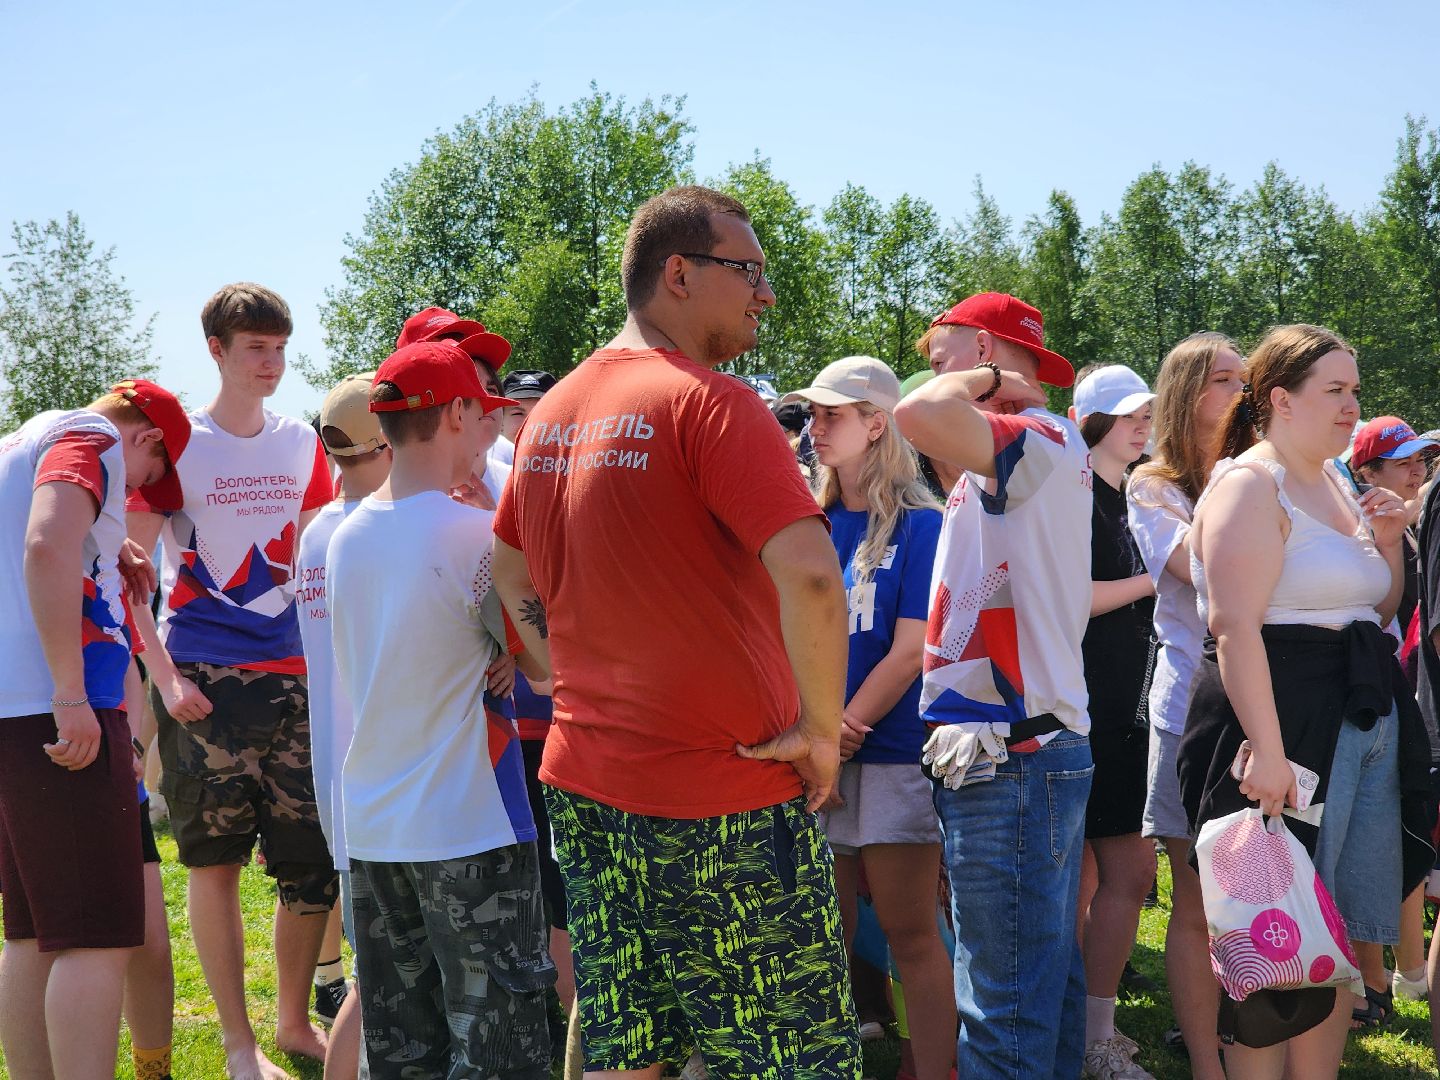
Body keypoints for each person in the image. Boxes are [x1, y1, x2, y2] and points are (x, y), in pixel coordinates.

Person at [491, 184, 861, 1079]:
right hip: (722, 795)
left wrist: (564, 674)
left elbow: (507, 571)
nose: (765, 295)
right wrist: (819, 731)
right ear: (681, 274)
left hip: (588, 787)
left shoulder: (551, 413)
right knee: (793, 1060)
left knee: (627, 1045)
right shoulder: (711, 403)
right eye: (751, 273)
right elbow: (813, 576)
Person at [1177, 324, 1436, 1078]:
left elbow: (1375, 613)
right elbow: (1233, 626)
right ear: (1281, 400)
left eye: (1355, 389)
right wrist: (1268, 748)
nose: (1353, 404)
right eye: (1337, 390)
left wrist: (1388, 544)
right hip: (1278, 718)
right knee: (1270, 943)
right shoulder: (1249, 483)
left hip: (1357, 719)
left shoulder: (1336, 483)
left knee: (1334, 945)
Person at [127, 283, 339, 1080]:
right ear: (215, 350)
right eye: (256, 348)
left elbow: (318, 552)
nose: (272, 363)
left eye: (280, 348)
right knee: (214, 864)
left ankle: (292, 1024)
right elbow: (130, 575)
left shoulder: (301, 440)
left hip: (298, 679)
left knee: (307, 865)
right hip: (205, 682)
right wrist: (164, 678)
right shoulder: (181, 445)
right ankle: (237, 1043)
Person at [326, 341, 554, 1077]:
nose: (494, 433)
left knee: (400, 1046)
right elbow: (550, 665)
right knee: (500, 1049)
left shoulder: (345, 532)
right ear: (455, 413)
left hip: (377, 826)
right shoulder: (472, 536)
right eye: (485, 415)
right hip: (470, 822)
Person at [895, 292, 1093, 1079]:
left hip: (1015, 755)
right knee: (1039, 989)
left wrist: (980, 377)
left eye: (939, 351)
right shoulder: (1031, 445)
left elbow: (918, 415)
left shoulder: (1039, 434)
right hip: (1016, 750)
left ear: (981, 347)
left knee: (1003, 1011)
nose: (929, 366)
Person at [0, 377, 188, 1079]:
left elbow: (42, 537)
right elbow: (47, 543)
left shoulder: (26, 434)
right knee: (98, 940)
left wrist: (107, 549)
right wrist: (71, 695)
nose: (135, 497)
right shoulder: (95, 437)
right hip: (58, 715)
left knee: (34, 934)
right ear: (146, 439)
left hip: (14, 710)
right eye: (147, 480)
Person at [784, 356, 953, 1080]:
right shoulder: (808, 519)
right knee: (827, 934)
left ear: (877, 423)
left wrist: (842, 729)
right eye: (811, 414)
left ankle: (931, 1066)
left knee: (912, 931)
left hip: (888, 753)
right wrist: (818, 735)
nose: (814, 427)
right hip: (816, 751)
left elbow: (913, 647)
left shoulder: (922, 523)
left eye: (832, 415)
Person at [1125, 332, 1243, 1080]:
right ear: (1187, 392)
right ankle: (1206, 1059)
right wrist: (1237, 483)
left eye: (1246, 379)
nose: (1243, 392)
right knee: (1196, 898)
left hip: (1274, 699)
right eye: (1225, 379)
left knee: (1260, 887)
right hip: (1190, 710)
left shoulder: (1268, 473)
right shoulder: (1152, 484)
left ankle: (1253, 1039)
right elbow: (1195, 569)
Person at [294, 372, 394, 1080]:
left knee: (372, 971)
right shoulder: (372, 532)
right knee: (380, 980)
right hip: (388, 789)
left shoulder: (317, 530)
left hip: (341, 786)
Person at [1070, 364, 1159, 1080]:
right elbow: (1075, 598)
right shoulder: (1074, 494)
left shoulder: (1134, 494)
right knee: (1087, 878)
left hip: (1128, 714)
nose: (1142, 423)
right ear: (1088, 419)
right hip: (1082, 713)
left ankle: (1095, 1027)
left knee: (1126, 873)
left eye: (1146, 414)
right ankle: (1082, 1033)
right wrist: (1158, 574)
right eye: (1128, 414)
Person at [1346, 415, 1438, 1018]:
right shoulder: (1358, 531)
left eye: (1420, 459)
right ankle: (1376, 979)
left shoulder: (1410, 526)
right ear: (1366, 473)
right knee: (1379, 842)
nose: (1416, 468)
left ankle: (1405, 974)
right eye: (1401, 460)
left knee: (1405, 840)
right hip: (1368, 704)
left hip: (1403, 703)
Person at [395, 306, 514, 502]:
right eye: (462, 384)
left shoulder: (523, 484)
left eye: (491, 388)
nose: (482, 398)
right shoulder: (378, 492)